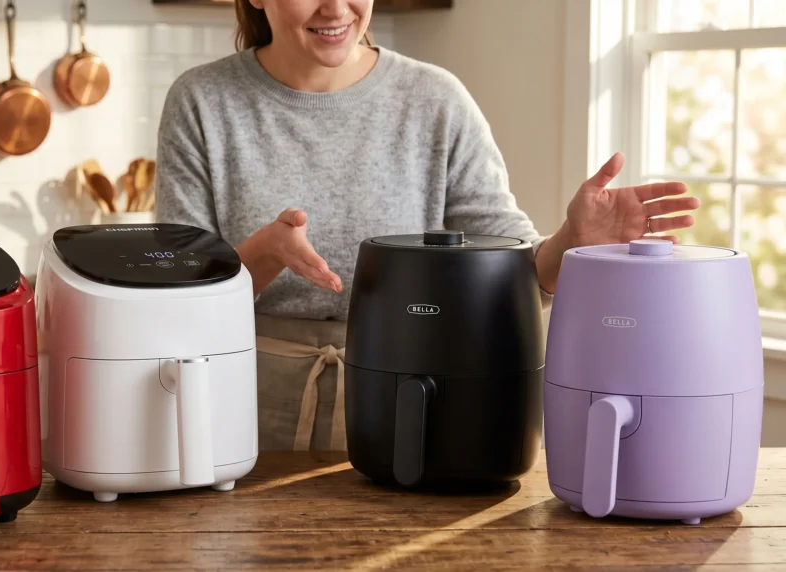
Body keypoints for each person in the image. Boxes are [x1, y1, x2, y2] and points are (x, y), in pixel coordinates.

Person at [154, 0, 699, 451]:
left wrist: (570, 245)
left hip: (412, 401)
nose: (335, 7)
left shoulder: (436, 100)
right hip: (241, 402)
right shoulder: (202, 101)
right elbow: (174, 306)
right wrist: (264, 254)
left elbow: (512, 272)